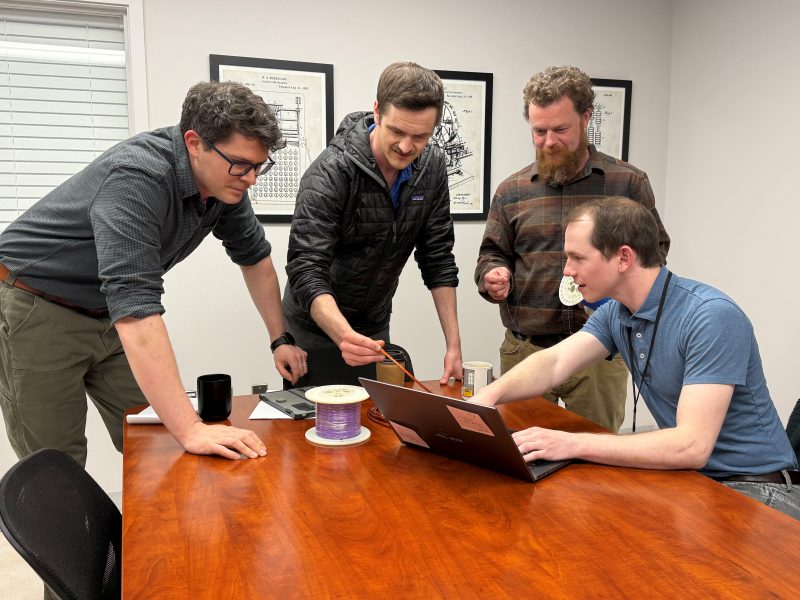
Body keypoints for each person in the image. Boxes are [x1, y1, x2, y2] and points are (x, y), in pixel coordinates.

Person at [0, 81, 307, 465]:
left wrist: (280, 339)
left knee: (158, 441)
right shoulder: (138, 176)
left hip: (107, 313)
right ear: (195, 143)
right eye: (241, 164)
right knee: (56, 464)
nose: (251, 179)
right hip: (37, 304)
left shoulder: (224, 184)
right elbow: (136, 307)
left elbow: (255, 258)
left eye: (259, 166)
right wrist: (192, 429)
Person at [472, 197, 800, 519]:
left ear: (624, 258)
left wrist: (570, 444)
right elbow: (554, 362)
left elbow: (691, 445)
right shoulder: (617, 312)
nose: (567, 271)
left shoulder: (711, 316)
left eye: (577, 258)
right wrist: (487, 397)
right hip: (695, 481)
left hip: (759, 489)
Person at [475, 65, 670, 432]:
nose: (549, 141)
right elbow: (491, 253)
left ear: (585, 118)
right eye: (539, 131)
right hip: (526, 351)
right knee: (520, 458)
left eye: (560, 130)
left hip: (601, 353)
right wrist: (491, 275)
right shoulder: (512, 190)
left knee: (596, 469)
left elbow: (654, 257)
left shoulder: (627, 183)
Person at [283, 61, 462, 387]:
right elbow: (306, 269)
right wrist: (343, 335)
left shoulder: (432, 167)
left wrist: (453, 345)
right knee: (320, 427)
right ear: (377, 111)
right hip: (314, 326)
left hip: (373, 321)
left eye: (420, 136)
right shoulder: (331, 173)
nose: (407, 147)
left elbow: (437, 258)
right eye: (397, 131)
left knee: (378, 422)